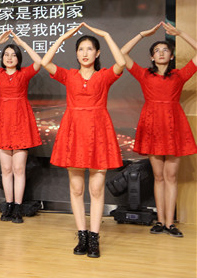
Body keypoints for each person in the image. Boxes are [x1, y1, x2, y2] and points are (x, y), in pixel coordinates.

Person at [41, 22, 126, 258]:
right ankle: (82, 235)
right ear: (76, 53)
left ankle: (95, 238)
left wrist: (106, 34)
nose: (85, 53)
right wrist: (62, 38)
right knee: (76, 188)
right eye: (80, 49)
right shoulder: (69, 75)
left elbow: (121, 63)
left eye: (90, 49)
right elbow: (45, 62)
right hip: (74, 132)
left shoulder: (104, 76)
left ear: (97, 53)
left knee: (96, 189)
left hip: (99, 132)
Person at [120, 21, 197, 237]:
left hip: (173, 126)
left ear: (171, 56)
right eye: (157, 51)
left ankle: (170, 224)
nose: (161, 53)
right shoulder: (144, 74)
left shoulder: (179, 75)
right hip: (152, 125)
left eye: (165, 50)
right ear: (152, 57)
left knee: (171, 176)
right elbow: (122, 53)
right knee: (159, 176)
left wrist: (179, 33)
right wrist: (142, 35)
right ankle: (160, 221)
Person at [0, 30, 43, 224]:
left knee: (19, 169)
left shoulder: (24, 74)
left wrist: (23, 44)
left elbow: (39, 61)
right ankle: (9, 206)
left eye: (14, 54)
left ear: (18, 58)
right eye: (6, 54)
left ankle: (18, 208)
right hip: (3, 122)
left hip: (21, 121)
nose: (10, 58)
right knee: (6, 169)